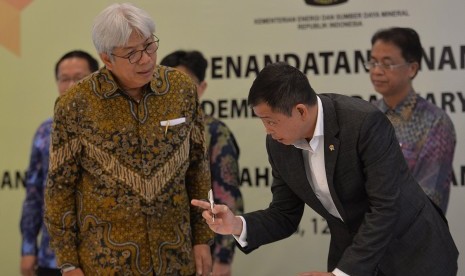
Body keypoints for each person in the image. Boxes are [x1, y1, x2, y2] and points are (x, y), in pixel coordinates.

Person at [192, 62, 459, 276]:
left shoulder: (364, 123)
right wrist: (236, 224)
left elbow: (385, 208)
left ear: (300, 111)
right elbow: (284, 214)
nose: (267, 131)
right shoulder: (280, 144)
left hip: (413, 252)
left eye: (271, 121)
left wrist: (342, 273)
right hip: (353, 253)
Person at [44, 3, 213, 275]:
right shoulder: (75, 104)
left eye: (149, 46)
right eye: (132, 54)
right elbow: (60, 188)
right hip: (105, 262)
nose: (146, 59)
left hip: (176, 256)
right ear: (107, 58)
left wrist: (202, 238)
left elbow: (198, 168)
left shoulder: (181, 90)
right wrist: (68, 262)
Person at [160, 50, 244, 276]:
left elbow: (228, 197)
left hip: (203, 250)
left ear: (202, 87)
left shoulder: (214, 132)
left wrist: (223, 259)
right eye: (168, 83)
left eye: (185, 83)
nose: (176, 91)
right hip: (158, 251)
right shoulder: (152, 133)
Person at [20, 50, 99, 276]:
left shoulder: (111, 130)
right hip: (52, 256)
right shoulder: (45, 132)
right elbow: (34, 195)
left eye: (79, 78)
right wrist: (27, 248)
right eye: (65, 79)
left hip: (102, 256)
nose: (71, 85)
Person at [366, 27, 456, 214]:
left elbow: (429, 197)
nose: (376, 71)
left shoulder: (434, 122)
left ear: (412, 68)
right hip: (365, 234)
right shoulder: (366, 115)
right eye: (373, 62)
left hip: (414, 237)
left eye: (387, 64)